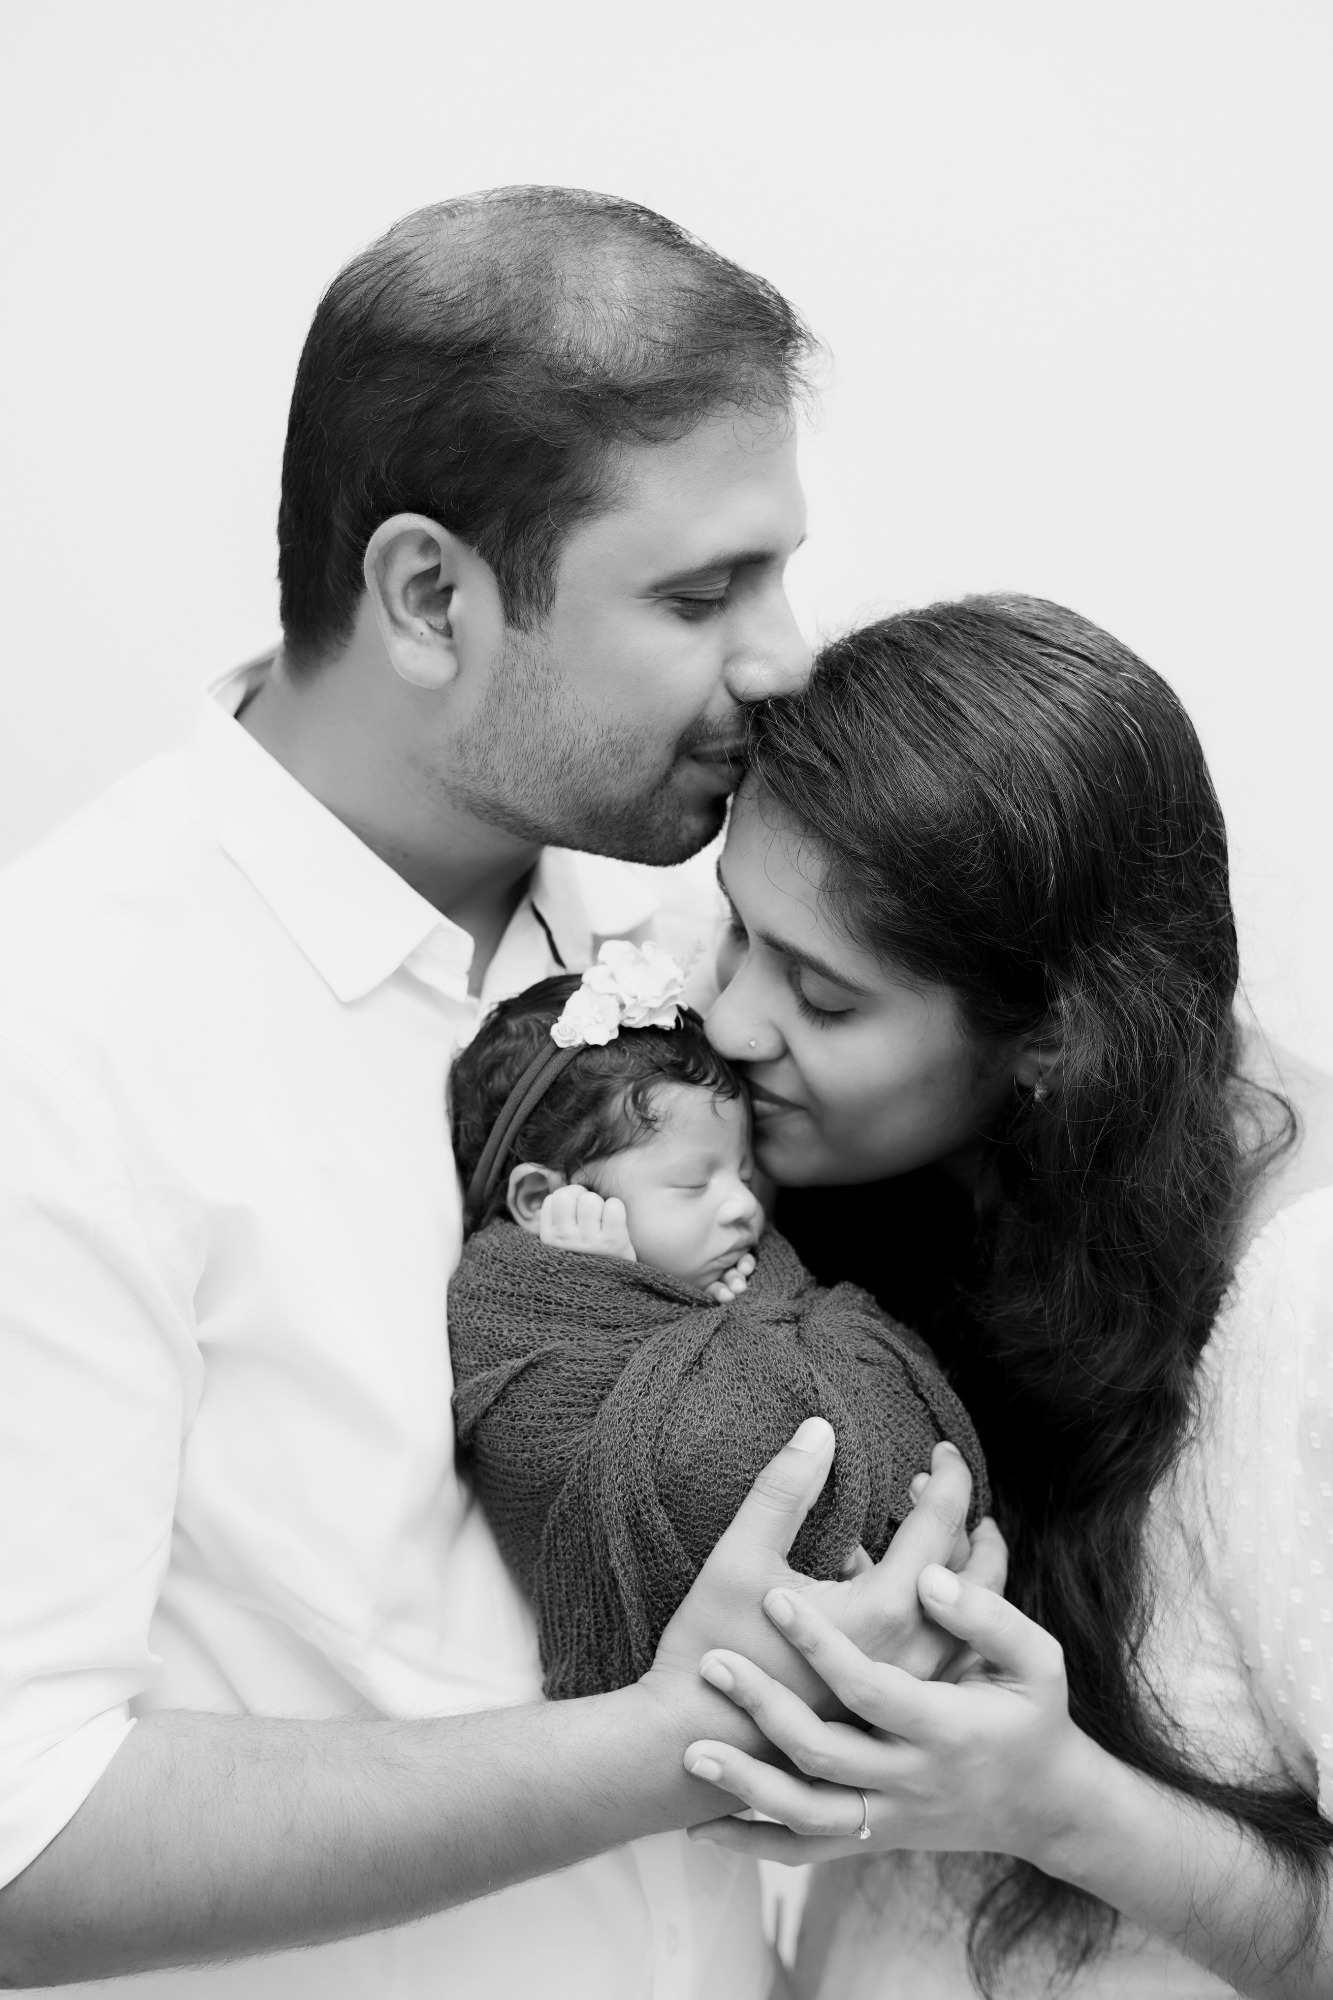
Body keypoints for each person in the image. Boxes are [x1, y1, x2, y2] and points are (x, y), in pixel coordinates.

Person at [0, 191, 1004, 1996]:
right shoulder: (57, 1044)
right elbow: (20, 1833)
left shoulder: (697, 928)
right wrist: (660, 1748)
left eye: (774, 569)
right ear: (426, 594)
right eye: (701, 593)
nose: (783, 655)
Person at [681, 593, 1333, 1997]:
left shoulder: (1302, 1309)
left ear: (1049, 1041)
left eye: (824, 999)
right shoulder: (882, 1172)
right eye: (732, 933)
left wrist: (1056, 1803)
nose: (730, 1020)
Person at [446, 947, 989, 1700]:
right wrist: (605, 1293)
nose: (742, 1206)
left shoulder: (733, 1264)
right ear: (542, 1200)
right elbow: (555, 1454)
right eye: (693, 1182)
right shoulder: (515, 1302)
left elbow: (817, 1329)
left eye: (741, 1171)